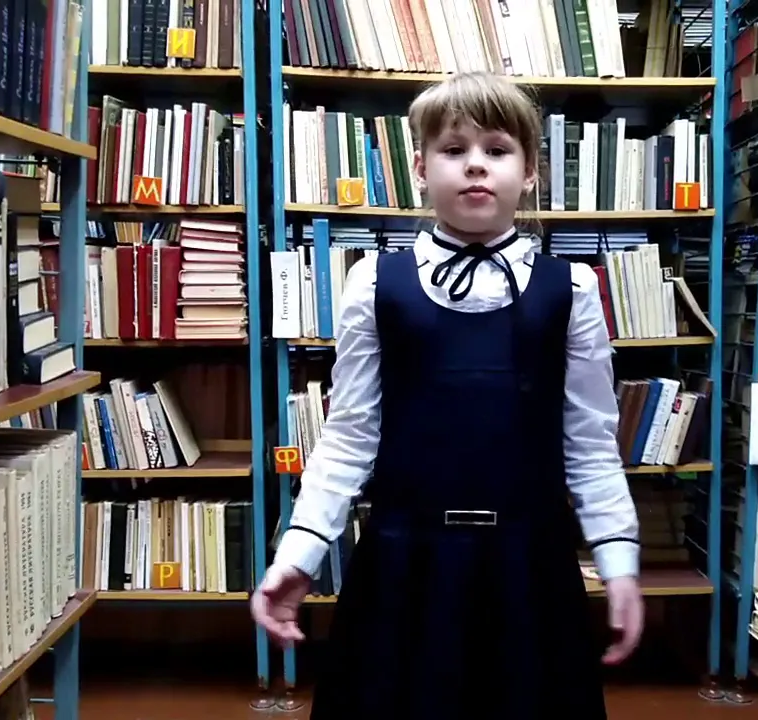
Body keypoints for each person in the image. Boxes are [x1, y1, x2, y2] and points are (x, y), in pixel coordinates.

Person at [251, 71, 644, 719]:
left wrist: (619, 560)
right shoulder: (375, 284)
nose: (475, 166)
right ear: (419, 167)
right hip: (404, 564)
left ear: (530, 171)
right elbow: (348, 437)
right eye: (454, 149)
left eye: (497, 149)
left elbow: (591, 445)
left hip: (530, 567)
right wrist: (299, 554)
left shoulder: (571, 290)